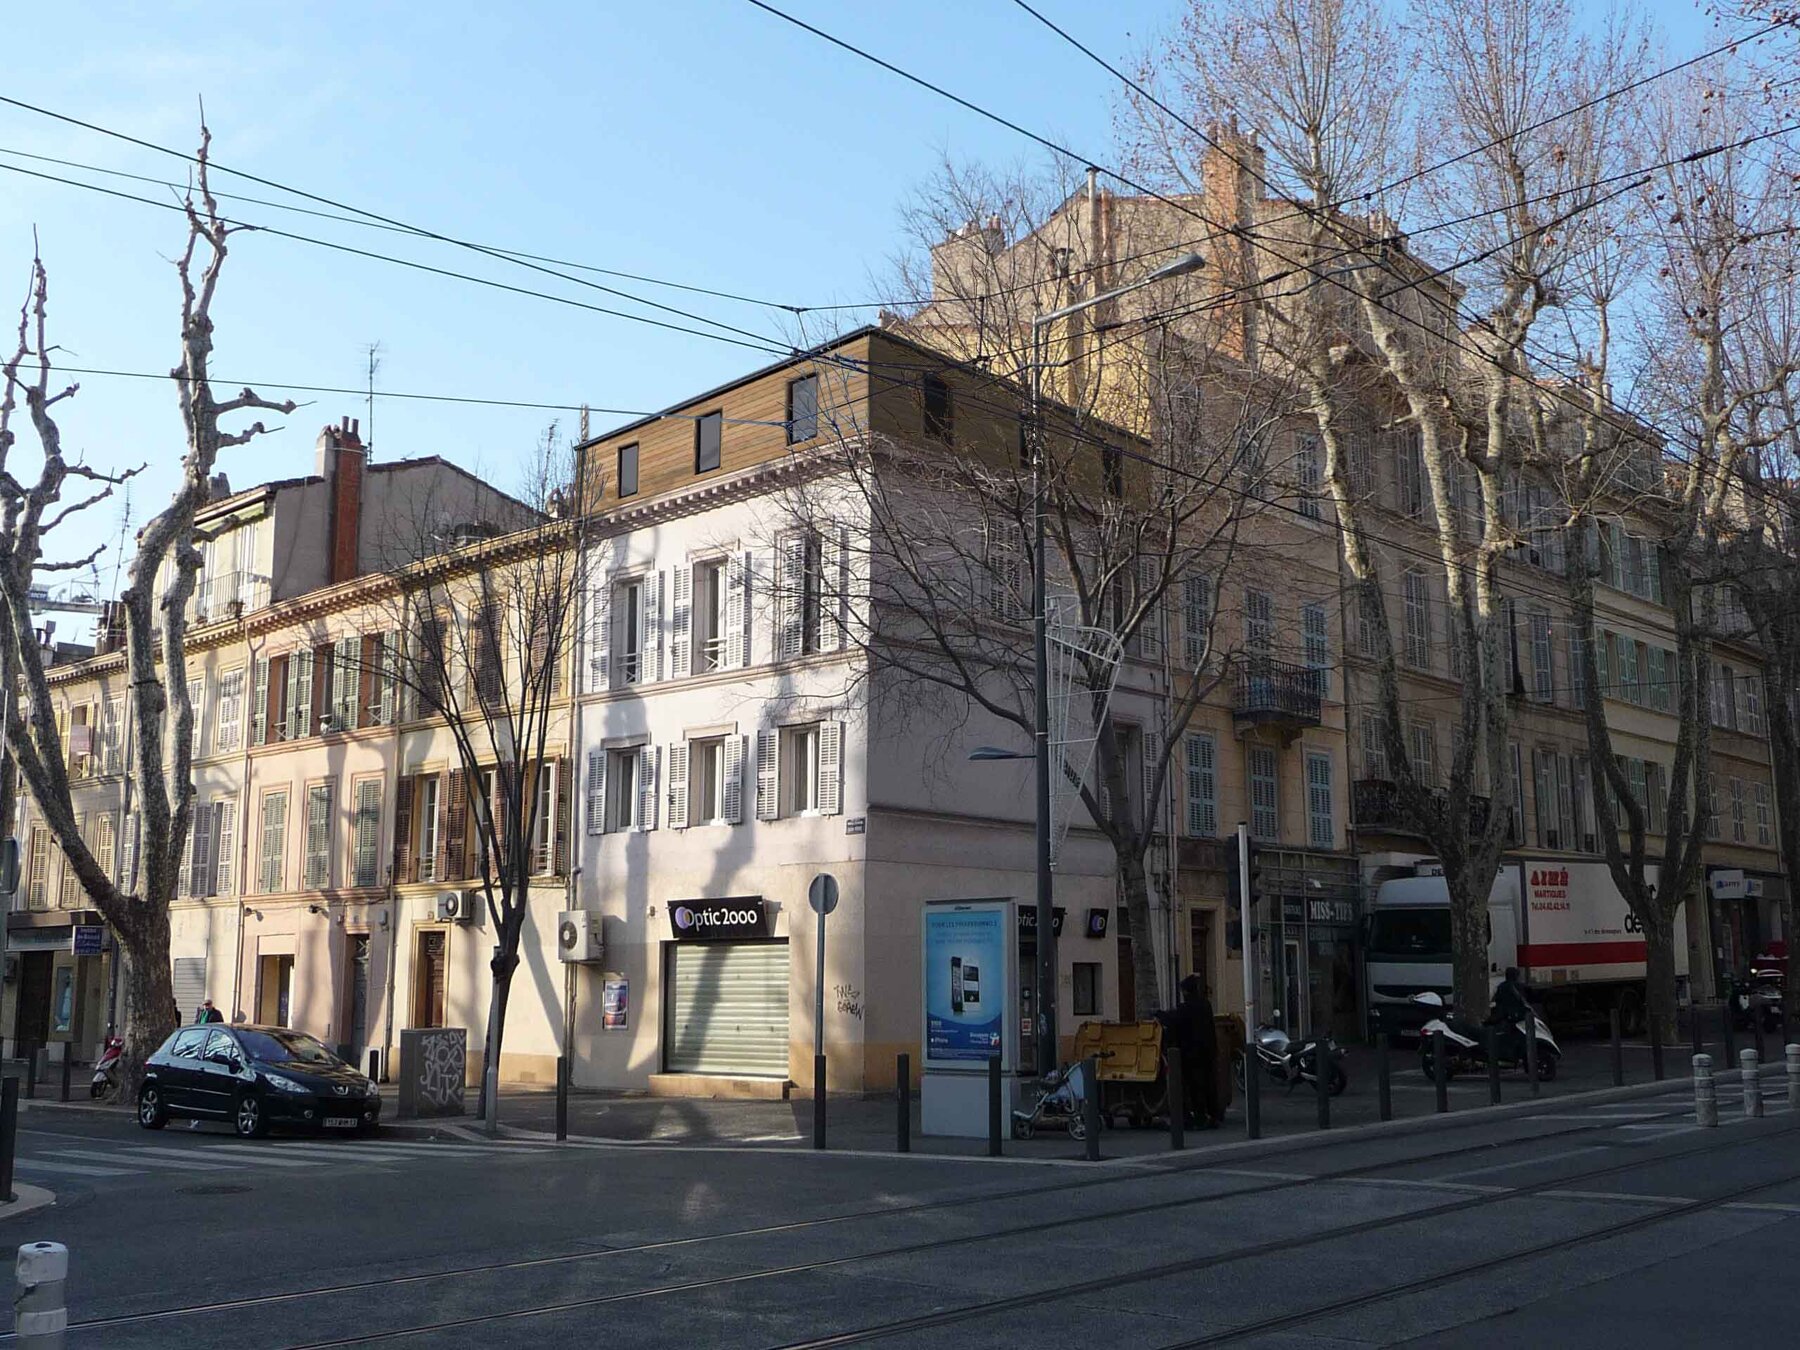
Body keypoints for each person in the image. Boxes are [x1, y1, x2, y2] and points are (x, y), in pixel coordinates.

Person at [1156, 974, 1221, 1128]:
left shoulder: (1185, 1008)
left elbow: (1173, 1020)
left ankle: (1198, 1116)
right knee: (1208, 1083)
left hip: (1190, 1054)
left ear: (1185, 992)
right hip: (1207, 1051)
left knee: (1193, 1085)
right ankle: (1212, 1115)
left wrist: (1158, 1014)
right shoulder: (1205, 1005)